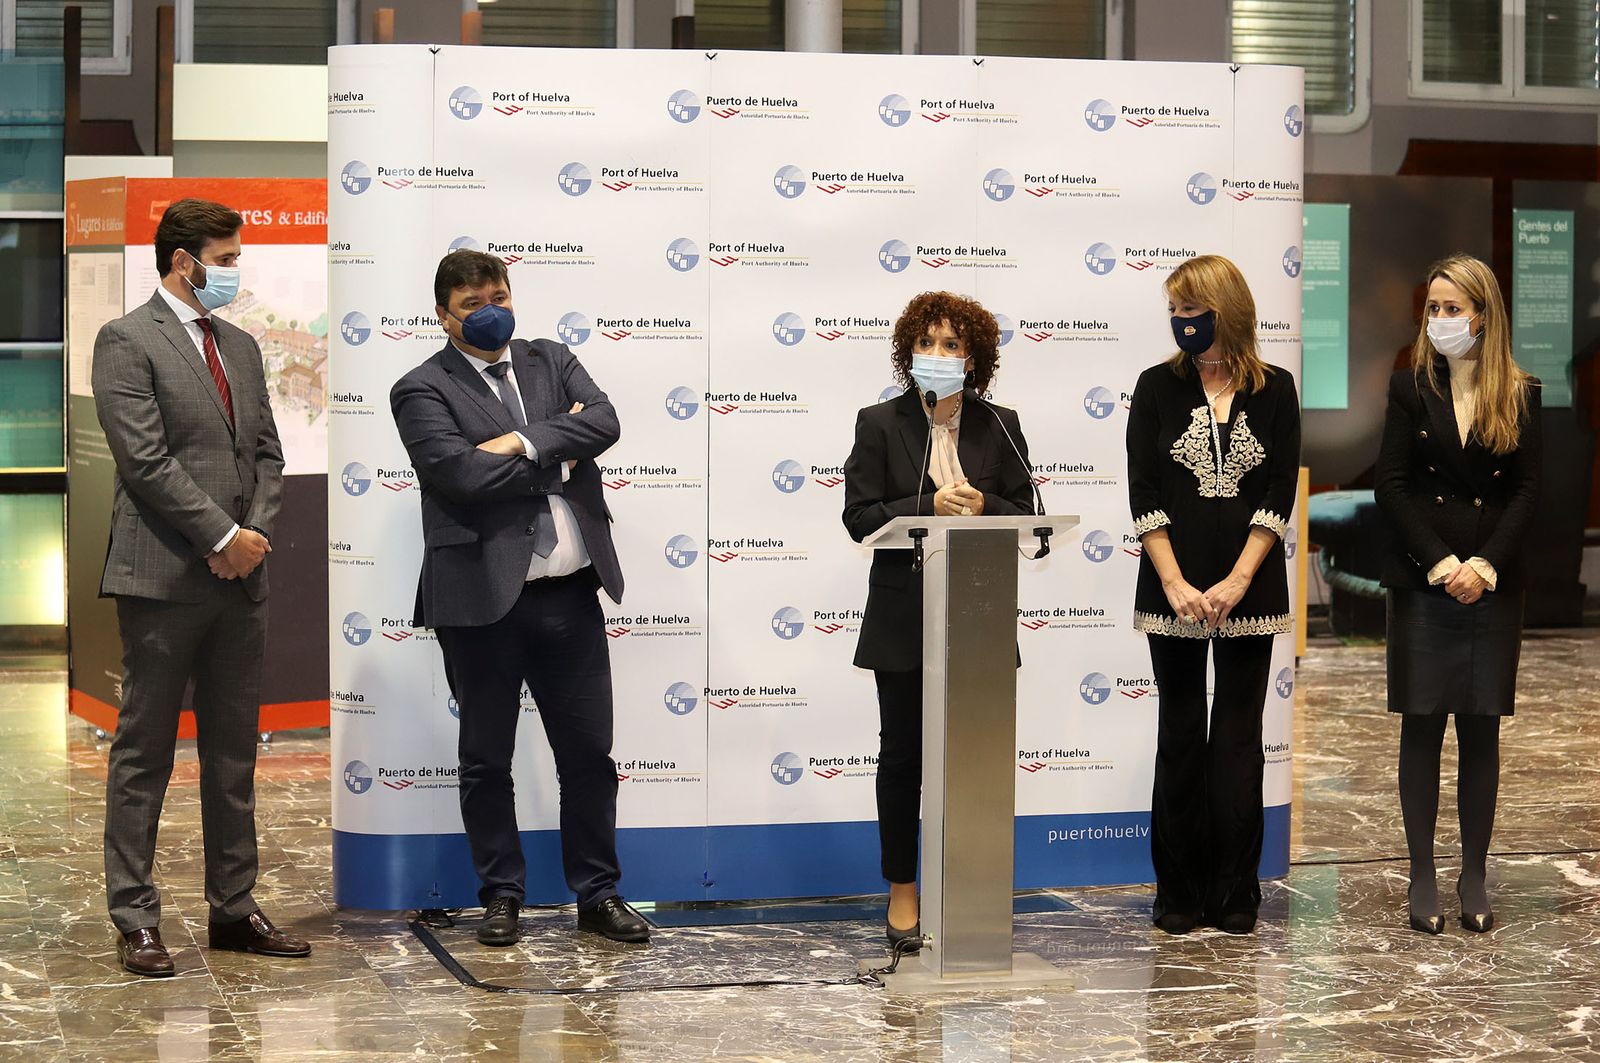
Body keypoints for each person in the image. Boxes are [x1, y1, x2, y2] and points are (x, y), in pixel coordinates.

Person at [389, 249, 647, 945]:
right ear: (443, 314)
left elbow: (606, 420)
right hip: (479, 602)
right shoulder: (420, 388)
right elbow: (460, 476)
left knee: (590, 756)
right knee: (486, 759)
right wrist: (556, 455)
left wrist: (522, 441)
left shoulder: (549, 357)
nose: (490, 309)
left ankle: (597, 892)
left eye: (498, 294)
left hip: (570, 595)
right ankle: (501, 892)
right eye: (473, 303)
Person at [93, 198, 310, 977]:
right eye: (224, 258)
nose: (233, 271)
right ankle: (136, 917)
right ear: (183, 261)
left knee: (231, 754)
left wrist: (251, 541)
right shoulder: (125, 340)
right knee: (144, 752)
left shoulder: (243, 348)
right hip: (162, 577)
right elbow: (145, 462)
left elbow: (269, 455)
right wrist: (222, 536)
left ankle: (233, 907)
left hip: (238, 583)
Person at [842, 291, 1036, 950]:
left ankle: (970, 886)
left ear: (974, 357)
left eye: (953, 345)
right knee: (902, 757)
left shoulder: (1000, 423)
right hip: (903, 616)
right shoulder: (879, 422)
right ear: (908, 352)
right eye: (927, 343)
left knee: (974, 759)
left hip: (975, 619)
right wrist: (929, 502)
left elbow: (1029, 511)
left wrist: (982, 506)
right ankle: (903, 889)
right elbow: (860, 517)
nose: (939, 355)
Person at [1125, 254, 1301, 936]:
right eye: (1175, 310)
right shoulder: (1155, 386)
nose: (1182, 323)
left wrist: (1236, 580)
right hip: (1169, 587)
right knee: (1179, 736)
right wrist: (1173, 580)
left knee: (1236, 739)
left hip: (1249, 590)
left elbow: (1278, 489)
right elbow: (1144, 490)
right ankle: (1177, 891)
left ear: (1226, 311)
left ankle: (1235, 891)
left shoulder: (1276, 389)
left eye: (1193, 311)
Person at [1375, 253, 1541, 936]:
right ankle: (1422, 872)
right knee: (1422, 725)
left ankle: (1473, 872)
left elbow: (1527, 491)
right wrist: (1444, 563)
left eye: (1452, 308)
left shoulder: (1521, 391)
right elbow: (1393, 484)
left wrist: (1485, 564)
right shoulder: (1408, 387)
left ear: (1483, 313)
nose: (1440, 320)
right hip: (1425, 579)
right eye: (1433, 309)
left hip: (1492, 585)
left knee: (1480, 731)